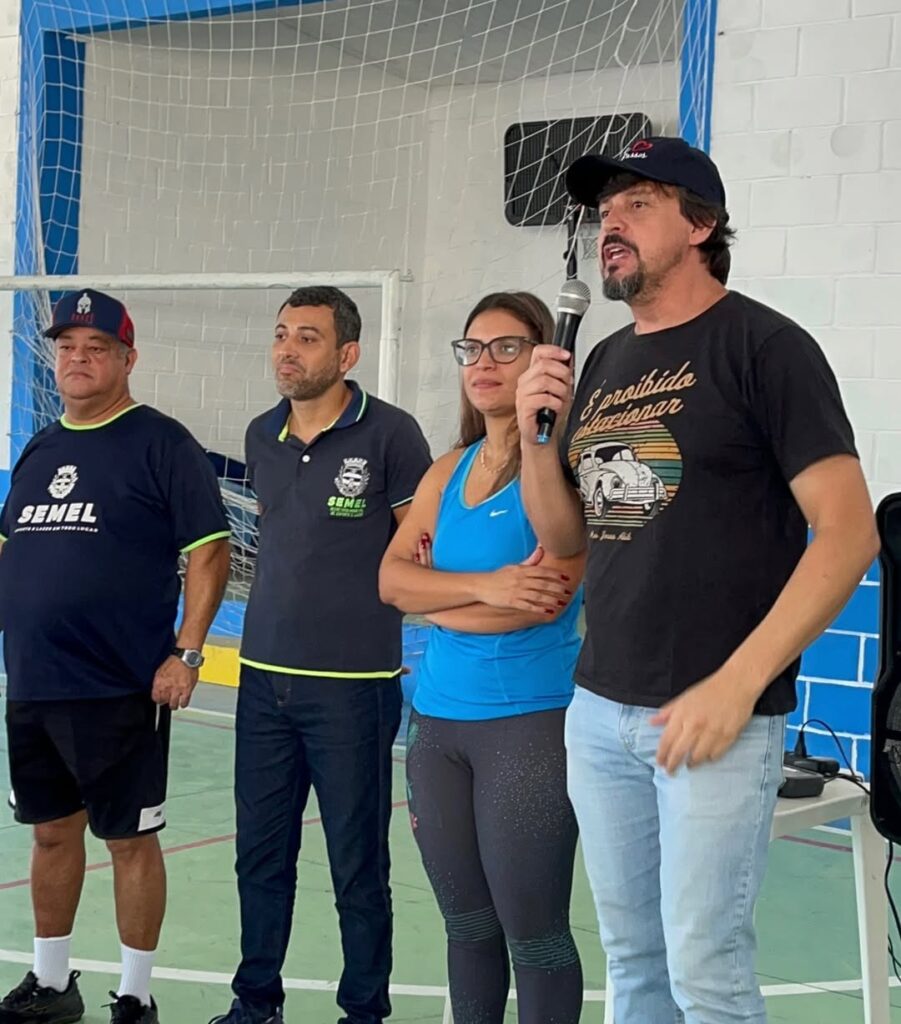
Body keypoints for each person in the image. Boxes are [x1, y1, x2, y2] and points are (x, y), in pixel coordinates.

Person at [514, 137, 881, 1024]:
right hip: (599, 709)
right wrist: (532, 436)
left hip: (714, 717)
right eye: (605, 212)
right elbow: (565, 534)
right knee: (633, 962)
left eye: (637, 204)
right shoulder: (603, 360)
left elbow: (848, 532)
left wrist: (737, 682)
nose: (611, 225)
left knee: (705, 976)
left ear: (701, 225)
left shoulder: (765, 348)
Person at [0, 289, 232, 1024]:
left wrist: (187, 654)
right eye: (67, 347)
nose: (78, 359)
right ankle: (51, 983)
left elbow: (209, 552)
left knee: (129, 839)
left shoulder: (161, 443)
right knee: (49, 832)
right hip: (33, 679)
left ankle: (135, 996)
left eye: (95, 348)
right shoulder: (40, 447)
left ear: (128, 360)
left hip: (119, 684)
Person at [212, 286, 431, 1024]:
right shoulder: (259, 435)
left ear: (347, 354)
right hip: (262, 680)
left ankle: (364, 1011)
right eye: (281, 334)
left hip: (353, 686)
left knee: (357, 865)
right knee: (259, 856)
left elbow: (419, 548)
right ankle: (255, 1003)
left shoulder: (392, 435)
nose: (287, 349)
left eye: (307, 337)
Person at [379, 291, 585, 1024]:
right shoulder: (445, 472)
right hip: (436, 727)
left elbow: (545, 600)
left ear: (542, 361)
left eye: (506, 347)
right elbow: (391, 582)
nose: (484, 363)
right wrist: (486, 585)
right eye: (472, 348)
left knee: (534, 934)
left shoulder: (561, 472)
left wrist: (435, 598)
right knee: (466, 926)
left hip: (527, 725)